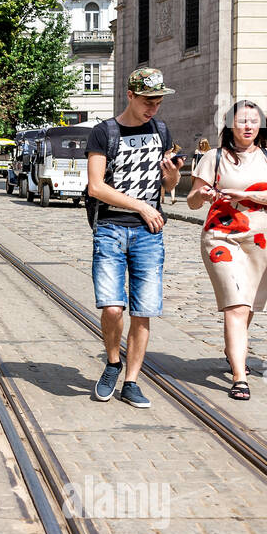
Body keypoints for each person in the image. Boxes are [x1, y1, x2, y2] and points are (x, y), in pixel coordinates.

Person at [86, 67, 181, 409]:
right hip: (111, 228)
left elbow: (167, 187)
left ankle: (131, 381)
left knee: (143, 311)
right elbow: (96, 186)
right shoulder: (103, 133)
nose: (153, 108)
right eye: (147, 101)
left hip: (148, 233)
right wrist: (141, 205)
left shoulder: (161, 130)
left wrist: (172, 179)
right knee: (112, 307)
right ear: (130, 95)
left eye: (158, 101)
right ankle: (113, 363)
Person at [187, 101, 267, 400]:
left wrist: (245, 194)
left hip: (261, 239)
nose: (248, 126)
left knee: (248, 304)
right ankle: (240, 377)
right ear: (230, 125)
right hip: (221, 236)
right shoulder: (213, 157)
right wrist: (201, 195)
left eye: (253, 121)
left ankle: (234, 349)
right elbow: (192, 201)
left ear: (262, 126)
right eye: (242, 120)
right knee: (236, 304)